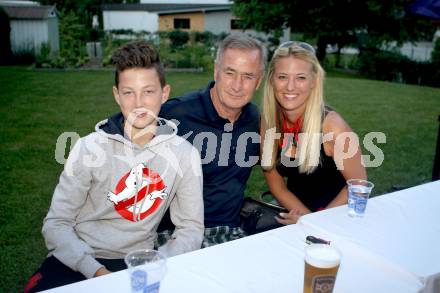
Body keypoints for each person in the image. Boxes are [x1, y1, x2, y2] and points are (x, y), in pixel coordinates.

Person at [24, 41, 204, 292]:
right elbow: (56, 224)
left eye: (148, 91)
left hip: (138, 261)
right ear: (116, 94)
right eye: (129, 92)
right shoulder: (88, 148)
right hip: (78, 258)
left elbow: (191, 228)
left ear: (164, 93)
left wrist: (157, 262)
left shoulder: (185, 155)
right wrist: (96, 271)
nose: (138, 102)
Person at [158, 34, 266, 247]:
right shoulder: (175, 115)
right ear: (216, 71)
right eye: (230, 73)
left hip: (229, 232)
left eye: (248, 76)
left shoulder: (255, 119)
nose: (237, 85)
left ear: (259, 81)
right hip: (174, 234)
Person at [260, 41, 366, 225]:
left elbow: (358, 184)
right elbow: (276, 184)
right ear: (271, 80)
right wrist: (303, 219)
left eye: (300, 77)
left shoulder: (332, 127)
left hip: (337, 216)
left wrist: (315, 222)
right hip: (294, 211)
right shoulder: (268, 122)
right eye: (282, 76)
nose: (290, 87)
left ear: (314, 81)